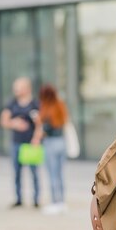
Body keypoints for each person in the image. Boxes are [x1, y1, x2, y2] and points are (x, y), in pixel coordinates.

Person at [0, 77, 43, 208]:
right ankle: (18, 199)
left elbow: (40, 124)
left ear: (27, 88)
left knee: (34, 172)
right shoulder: (12, 104)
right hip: (16, 143)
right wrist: (14, 123)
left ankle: (36, 199)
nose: (16, 90)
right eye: (15, 88)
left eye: (19, 87)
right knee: (17, 172)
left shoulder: (35, 104)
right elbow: (3, 121)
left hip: (30, 144)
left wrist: (36, 138)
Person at [38, 84, 69, 214]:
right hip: (61, 142)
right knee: (60, 174)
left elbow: (46, 129)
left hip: (50, 143)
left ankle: (54, 202)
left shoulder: (47, 109)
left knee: (52, 174)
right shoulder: (60, 106)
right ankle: (61, 201)